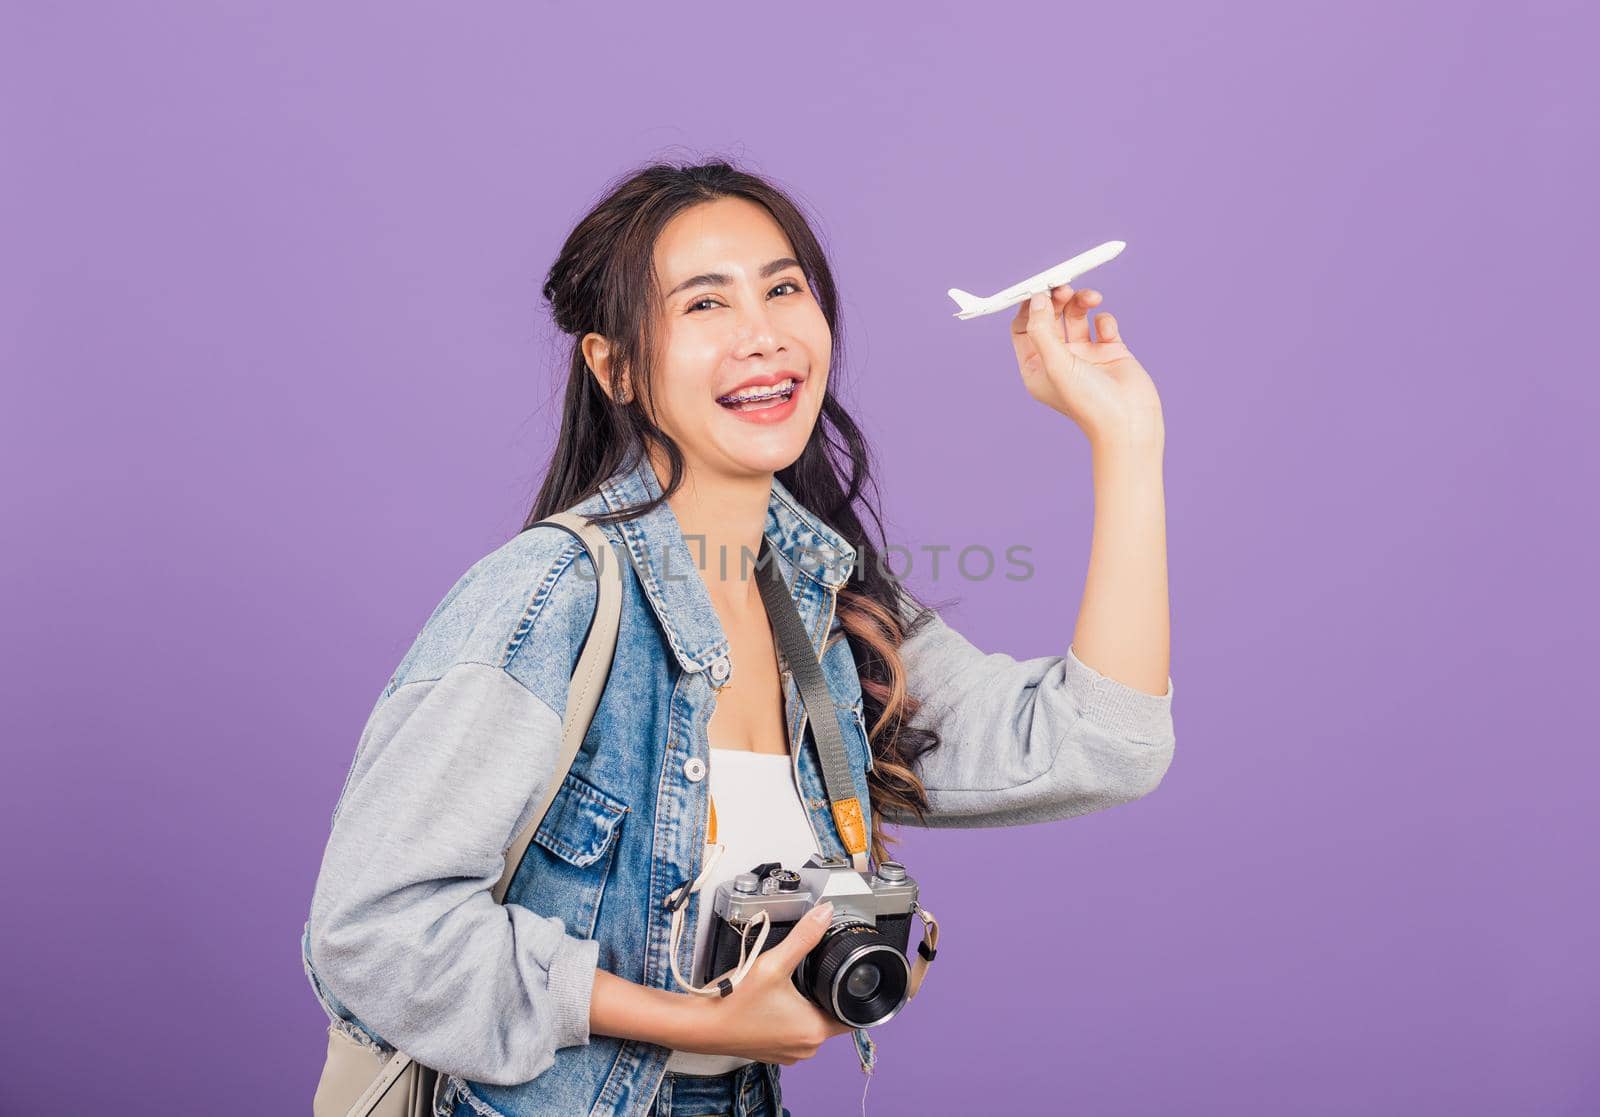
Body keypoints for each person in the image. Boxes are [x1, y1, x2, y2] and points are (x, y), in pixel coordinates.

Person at [301, 157, 1176, 1117]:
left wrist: (1126, 440)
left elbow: (1102, 745)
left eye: (784, 287)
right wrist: (699, 1022)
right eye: (705, 304)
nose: (762, 335)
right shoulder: (551, 598)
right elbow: (373, 935)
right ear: (616, 366)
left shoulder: (832, 611)